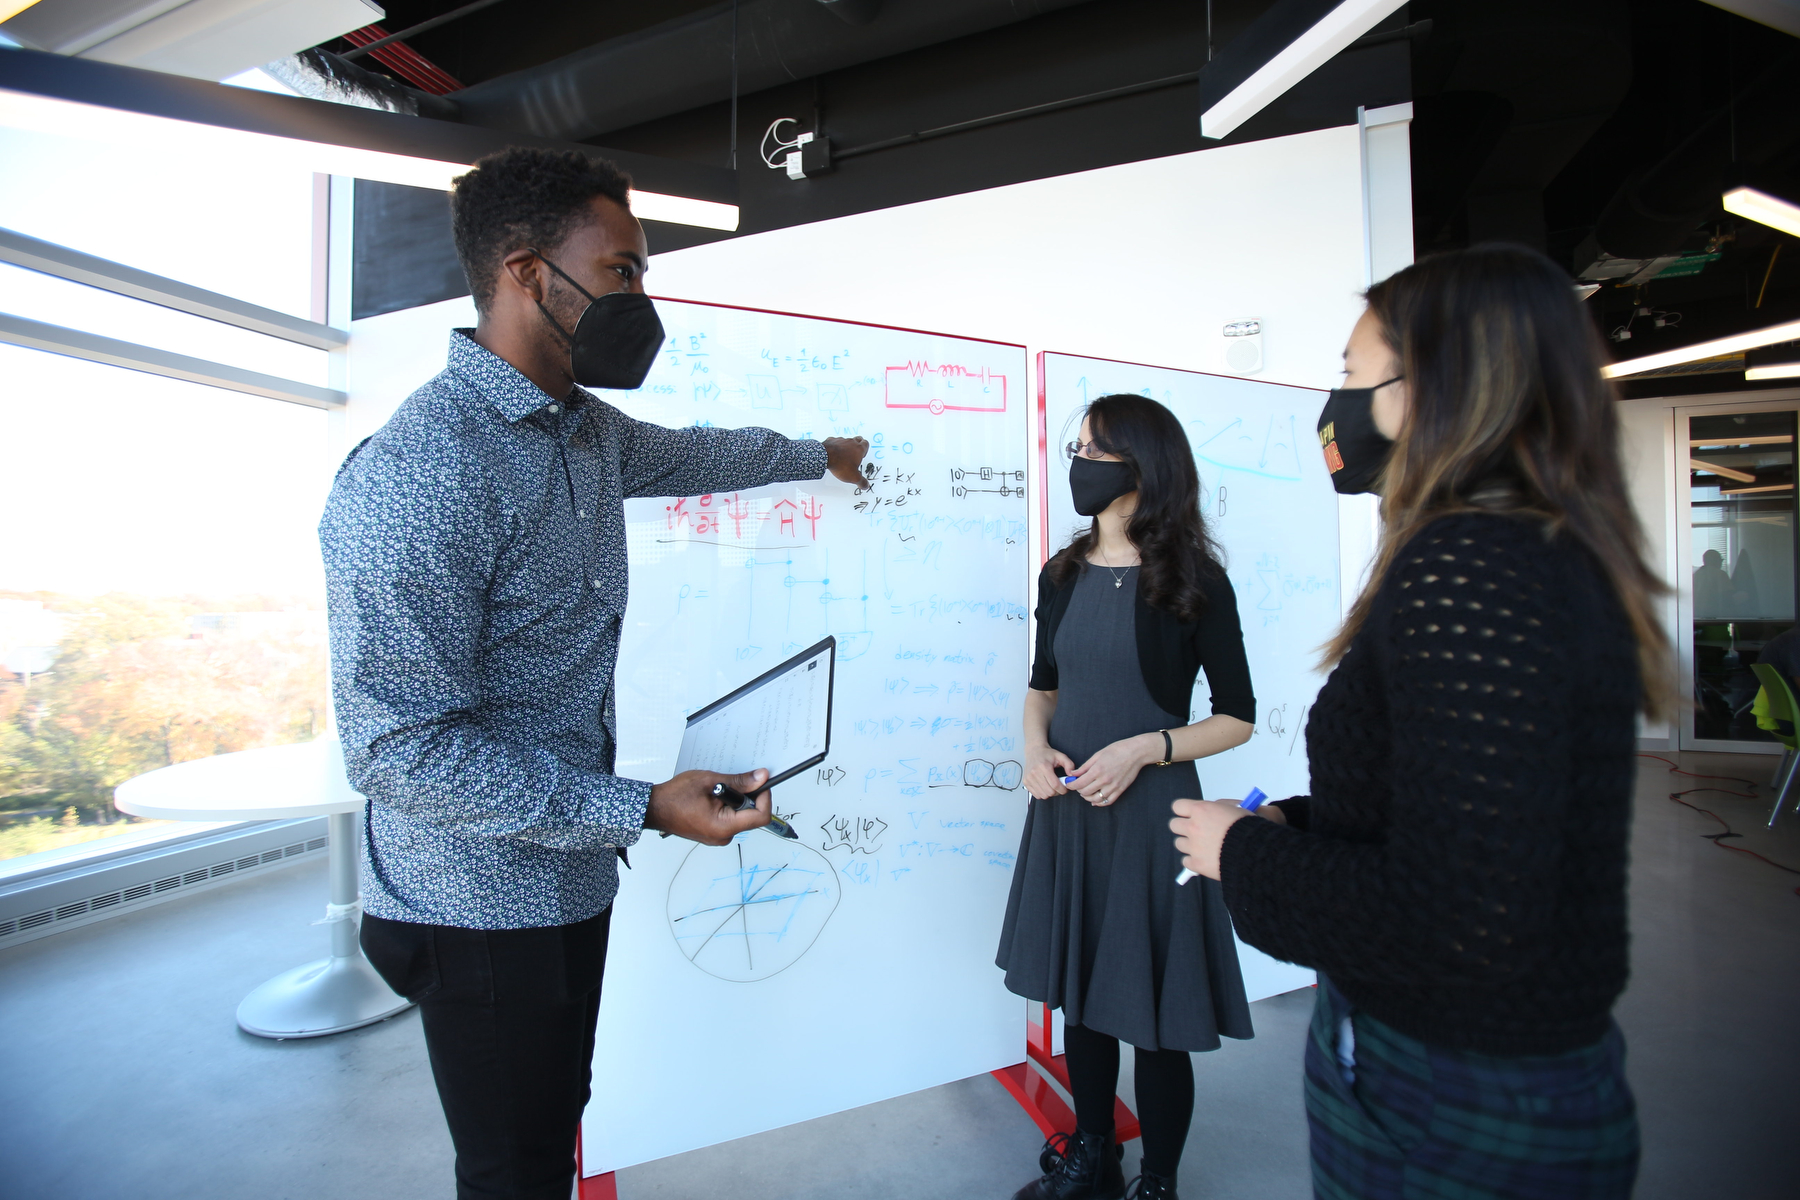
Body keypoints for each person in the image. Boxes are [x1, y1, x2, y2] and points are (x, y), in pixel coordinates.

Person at [319, 147, 869, 1200]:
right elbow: (396, 750)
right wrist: (641, 807)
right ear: (527, 273)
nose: (641, 298)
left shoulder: (583, 434)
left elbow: (701, 456)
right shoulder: (421, 471)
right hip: (472, 904)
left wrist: (818, 451)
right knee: (513, 1170)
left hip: (571, 872)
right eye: (622, 271)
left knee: (555, 1127)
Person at [1169, 244, 1670, 1200]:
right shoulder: (1524, 557)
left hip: (1450, 1094)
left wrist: (1245, 854)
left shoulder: (1471, 571)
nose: (1336, 405)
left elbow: (1463, 920)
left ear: (1436, 387)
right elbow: (1472, 813)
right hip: (1480, 1078)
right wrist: (1299, 823)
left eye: (1355, 376)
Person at [996, 395, 1257, 1200]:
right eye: (1076, 448)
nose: (1079, 464)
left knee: (1155, 1014)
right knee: (1083, 997)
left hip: (1156, 817)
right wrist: (1035, 748)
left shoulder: (1194, 579)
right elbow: (1044, 689)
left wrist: (1150, 748)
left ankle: (1161, 1181)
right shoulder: (1062, 573)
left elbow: (1237, 718)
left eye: (1094, 450)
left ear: (1142, 465)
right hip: (1070, 808)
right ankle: (1095, 1155)